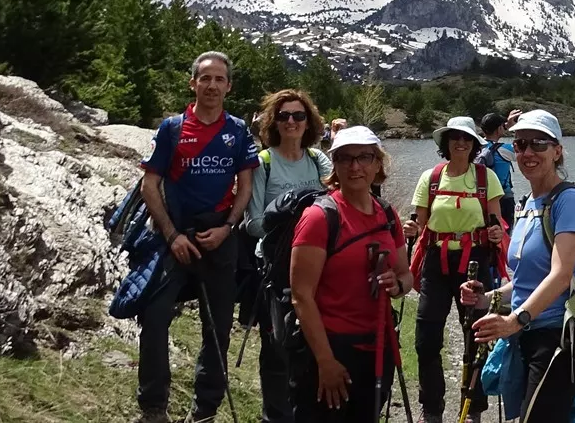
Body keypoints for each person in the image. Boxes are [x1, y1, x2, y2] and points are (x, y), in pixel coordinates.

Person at [137, 52, 259, 423]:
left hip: (220, 238)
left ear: (228, 86)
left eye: (219, 79)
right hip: (175, 238)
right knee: (155, 317)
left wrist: (228, 227)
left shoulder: (237, 131)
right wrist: (171, 234)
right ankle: (154, 405)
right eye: (205, 78)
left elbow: (246, 186)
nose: (212, 85)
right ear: (193, 83)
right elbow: (150, 183)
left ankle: (204, 409)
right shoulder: (172, 129)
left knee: (218, 326)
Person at [462, 109, 575, 423]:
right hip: (526, 336)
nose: (528, 152)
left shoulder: (568, 201)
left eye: (539, 143)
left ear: (558, 150)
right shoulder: (527, 205)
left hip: (557, 339)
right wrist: (487, 297)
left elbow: (562, 275)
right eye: (520, 144)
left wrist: (516, 320)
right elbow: (525, 280)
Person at [289, 126, 413, 423]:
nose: (355, 166)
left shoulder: (387, 214)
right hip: (330, 348)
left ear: (378, 163)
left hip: (376, 349)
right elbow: (301, 296)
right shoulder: (320, 218)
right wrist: (325, 361)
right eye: (345, 158)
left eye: (364, 157)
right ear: (335, 165)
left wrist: (396, 285)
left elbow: (406, 275)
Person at [404, 116, 505, 423]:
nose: (461, 143)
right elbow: (419, 222)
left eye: (467, 138)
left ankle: (473, 407)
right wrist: (410, 228)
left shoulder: (486, 178)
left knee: (477, 336)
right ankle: (432, 408)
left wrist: (496, 233)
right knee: (426, 338)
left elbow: (495, 222)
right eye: (454, 138)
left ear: (474, 144)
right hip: (436, 263)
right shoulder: (431, 178)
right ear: (445, 144)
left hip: (475, 262)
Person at [246, 89, 332, 423]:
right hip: (276, 269)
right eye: (284, 116)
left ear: (309, 121)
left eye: (299, 115)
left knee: (313, 340)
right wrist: (288, 218)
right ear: (274, 122)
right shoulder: (263, 163)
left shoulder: (318, 161)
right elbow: (252, 223)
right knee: (278, 348)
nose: (292, 122)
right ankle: (275, 416)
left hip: (319, 265)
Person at [475, 110, 520, 225]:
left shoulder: (476, 148)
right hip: (503, 198)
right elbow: (523, 151)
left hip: (480, 197)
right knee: (504, 235)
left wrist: (505, 126)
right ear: (499, 128)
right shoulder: (505, 149)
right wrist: (515, 128)